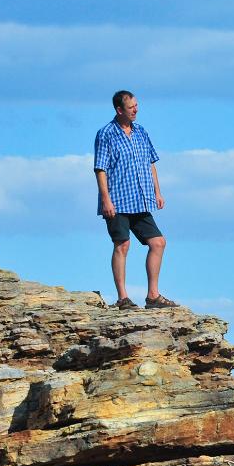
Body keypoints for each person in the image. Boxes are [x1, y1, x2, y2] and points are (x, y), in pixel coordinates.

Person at [94, 90, 177, 310]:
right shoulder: (106, 134)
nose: (136, 110)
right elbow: (100, 168)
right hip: (117, 200)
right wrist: (106, 199)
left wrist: (157, 192)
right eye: (131, 107)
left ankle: (153, 295)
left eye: (137, 106)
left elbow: (151, 163)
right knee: (122, 244)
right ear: (119, 110)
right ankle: (123, 298)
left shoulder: (141, 132)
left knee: (158, 242)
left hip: (141, 199)